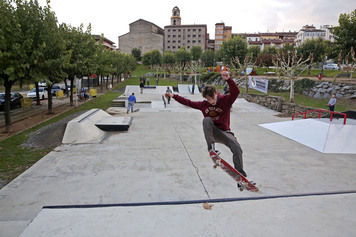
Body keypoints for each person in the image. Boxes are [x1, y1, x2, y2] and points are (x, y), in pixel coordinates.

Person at [165, 71, 250, 187]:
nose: (212, 102)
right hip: (212, 133)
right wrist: (174, 96)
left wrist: (228, 80)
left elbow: (236, 92)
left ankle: (240, 176)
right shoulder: (204, 105)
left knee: (237, 147)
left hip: (225, 132)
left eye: (213, 98)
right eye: (208, 100)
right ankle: (212, 149)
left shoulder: (226, 100)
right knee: (206, 120)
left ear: (216, 93)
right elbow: (188, 102)